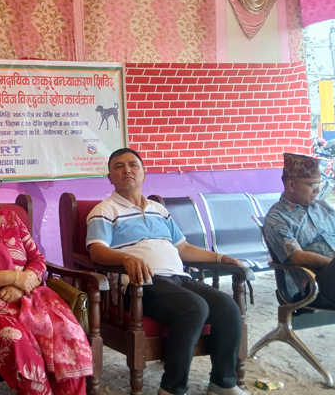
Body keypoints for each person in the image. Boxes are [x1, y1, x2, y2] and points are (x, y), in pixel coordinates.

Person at [86, 148, 245, 395]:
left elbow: (183, 248)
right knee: (194, 307)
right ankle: (172, 388)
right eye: (119, 166)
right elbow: (97, 250)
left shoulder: (158, 209)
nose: (127, 170)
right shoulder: (104, 210)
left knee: (227, 306)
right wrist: (126, 258)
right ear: (110, 177)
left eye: (133, 165)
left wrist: (220, 257)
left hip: (179, 279)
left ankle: (222, 383)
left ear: (144, 173)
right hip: (140, 284)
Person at [0, 159, 93, 395]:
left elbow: (38, 260)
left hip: (29, 295)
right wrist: (12, 276)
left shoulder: (11, 218)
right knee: (18, 342)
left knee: (68, 332)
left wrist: (20, 285)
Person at [263, 152, 335, 321]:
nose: (318, 190)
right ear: (291, 185)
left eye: (319, 184)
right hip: (319, 289)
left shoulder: (324, 207)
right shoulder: (277, 218)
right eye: (312, 185)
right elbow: (298, 256)